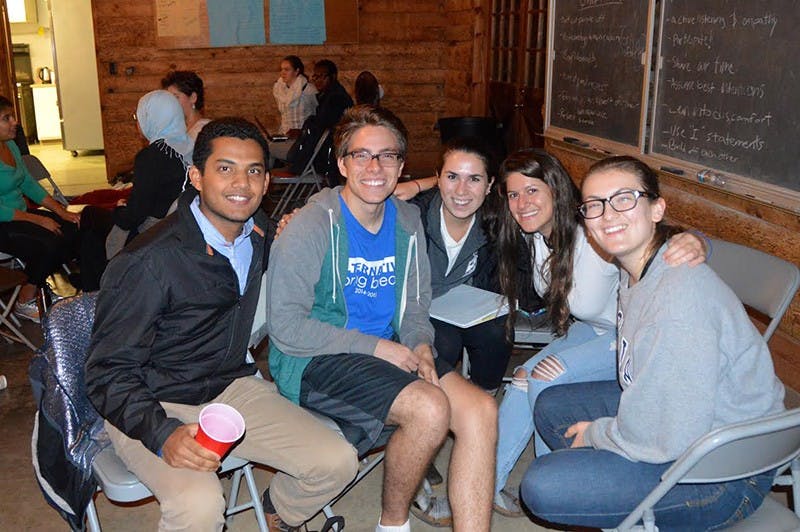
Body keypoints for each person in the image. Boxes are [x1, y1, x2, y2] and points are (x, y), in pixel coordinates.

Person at [85, 117, 358, 532]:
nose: (241, 184)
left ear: (267, 183)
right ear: (196, 176)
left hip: (231, 387)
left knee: (338, 461)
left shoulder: (261, 233)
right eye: (225, 168)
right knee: (198, 505)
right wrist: (162, 433)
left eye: (253, 171)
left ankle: (276, 515)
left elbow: (336, 218)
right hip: (154, 400)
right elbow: (107, 372)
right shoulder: (146, 263)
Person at [520, 155, 785, 530]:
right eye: (595, 205)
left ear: (657, 209)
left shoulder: (676, 299)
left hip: (725, 470)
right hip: (690, 422)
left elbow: (666, 434)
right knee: (551, 405)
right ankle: (614, 499)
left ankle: (622, 501)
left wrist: (598, 433)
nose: (609, 215)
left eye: (624, 198)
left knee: (542, 485)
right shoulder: (640, 268)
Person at [265, 105, 497, 531]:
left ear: (401, 165)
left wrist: (421, 343)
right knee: (429, 409)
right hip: (314, 355)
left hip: (389, 347)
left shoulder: (407, 221)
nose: (375, 166)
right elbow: (287, 328)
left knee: (480, 409)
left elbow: (413, 305)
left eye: (387, 155)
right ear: (341, 164)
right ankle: (392, 524)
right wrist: (380, 348)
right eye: (361, 155)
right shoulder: (311, 226)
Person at [493, 149, 707, 517]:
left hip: (625, 340)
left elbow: (663, 238)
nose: (522, 203)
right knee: (521, 383)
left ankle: (560, 491)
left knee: (546, 382)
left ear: (556, 190)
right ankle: (486, 485)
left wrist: (699, 240)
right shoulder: (534, 234)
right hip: (589, 332)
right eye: (514, 194)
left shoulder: (595, 233)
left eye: (532, 191)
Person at [393, 137, 509, 393]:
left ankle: (483, 399)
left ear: (489, 185)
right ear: (438, 178)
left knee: (497, 332)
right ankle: (433, 405)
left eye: (474, 179)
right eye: (452, 177)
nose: (461, 190)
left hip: (459, 305)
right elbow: (354, 207)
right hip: (414, 309)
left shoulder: (496, 222)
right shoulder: (413, 215)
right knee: (443, 343)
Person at [80, 89, 193, 291]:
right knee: (92, 234)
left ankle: (96, 288)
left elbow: (135, 215)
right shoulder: (192, 147)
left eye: (139, 116)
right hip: (181, 226)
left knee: (89, 216)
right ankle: (95, 281)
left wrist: (119, 210)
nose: (137, 122)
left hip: (154, 232)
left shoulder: (152, 157)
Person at [0, 95, 80, 323]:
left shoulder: (11, 146)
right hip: (3, 223)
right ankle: (24, 300)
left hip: (19, 216)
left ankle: (39, 285)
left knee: (71, 228)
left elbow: (28, 183)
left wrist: (61, 211)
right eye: (7, 118)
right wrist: (38, 220)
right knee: (49, 241)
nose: (15, 121)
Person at [269, 55, 318, 166]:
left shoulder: (308, 89)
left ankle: (267, 179)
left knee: (268, 148)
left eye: (287, 69)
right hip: (285, 135)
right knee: (266, 144)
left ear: (296, 71)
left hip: (302, 140)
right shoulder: (279, 89)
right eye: (281, 69)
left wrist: (302, 132)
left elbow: (315, 116)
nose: (283, 73)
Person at [161, 70, 211, 141]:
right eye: (168, 98)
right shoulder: (174, 130)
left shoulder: (205, 130)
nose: (170, 103)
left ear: (193, 98)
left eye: (176, 97)